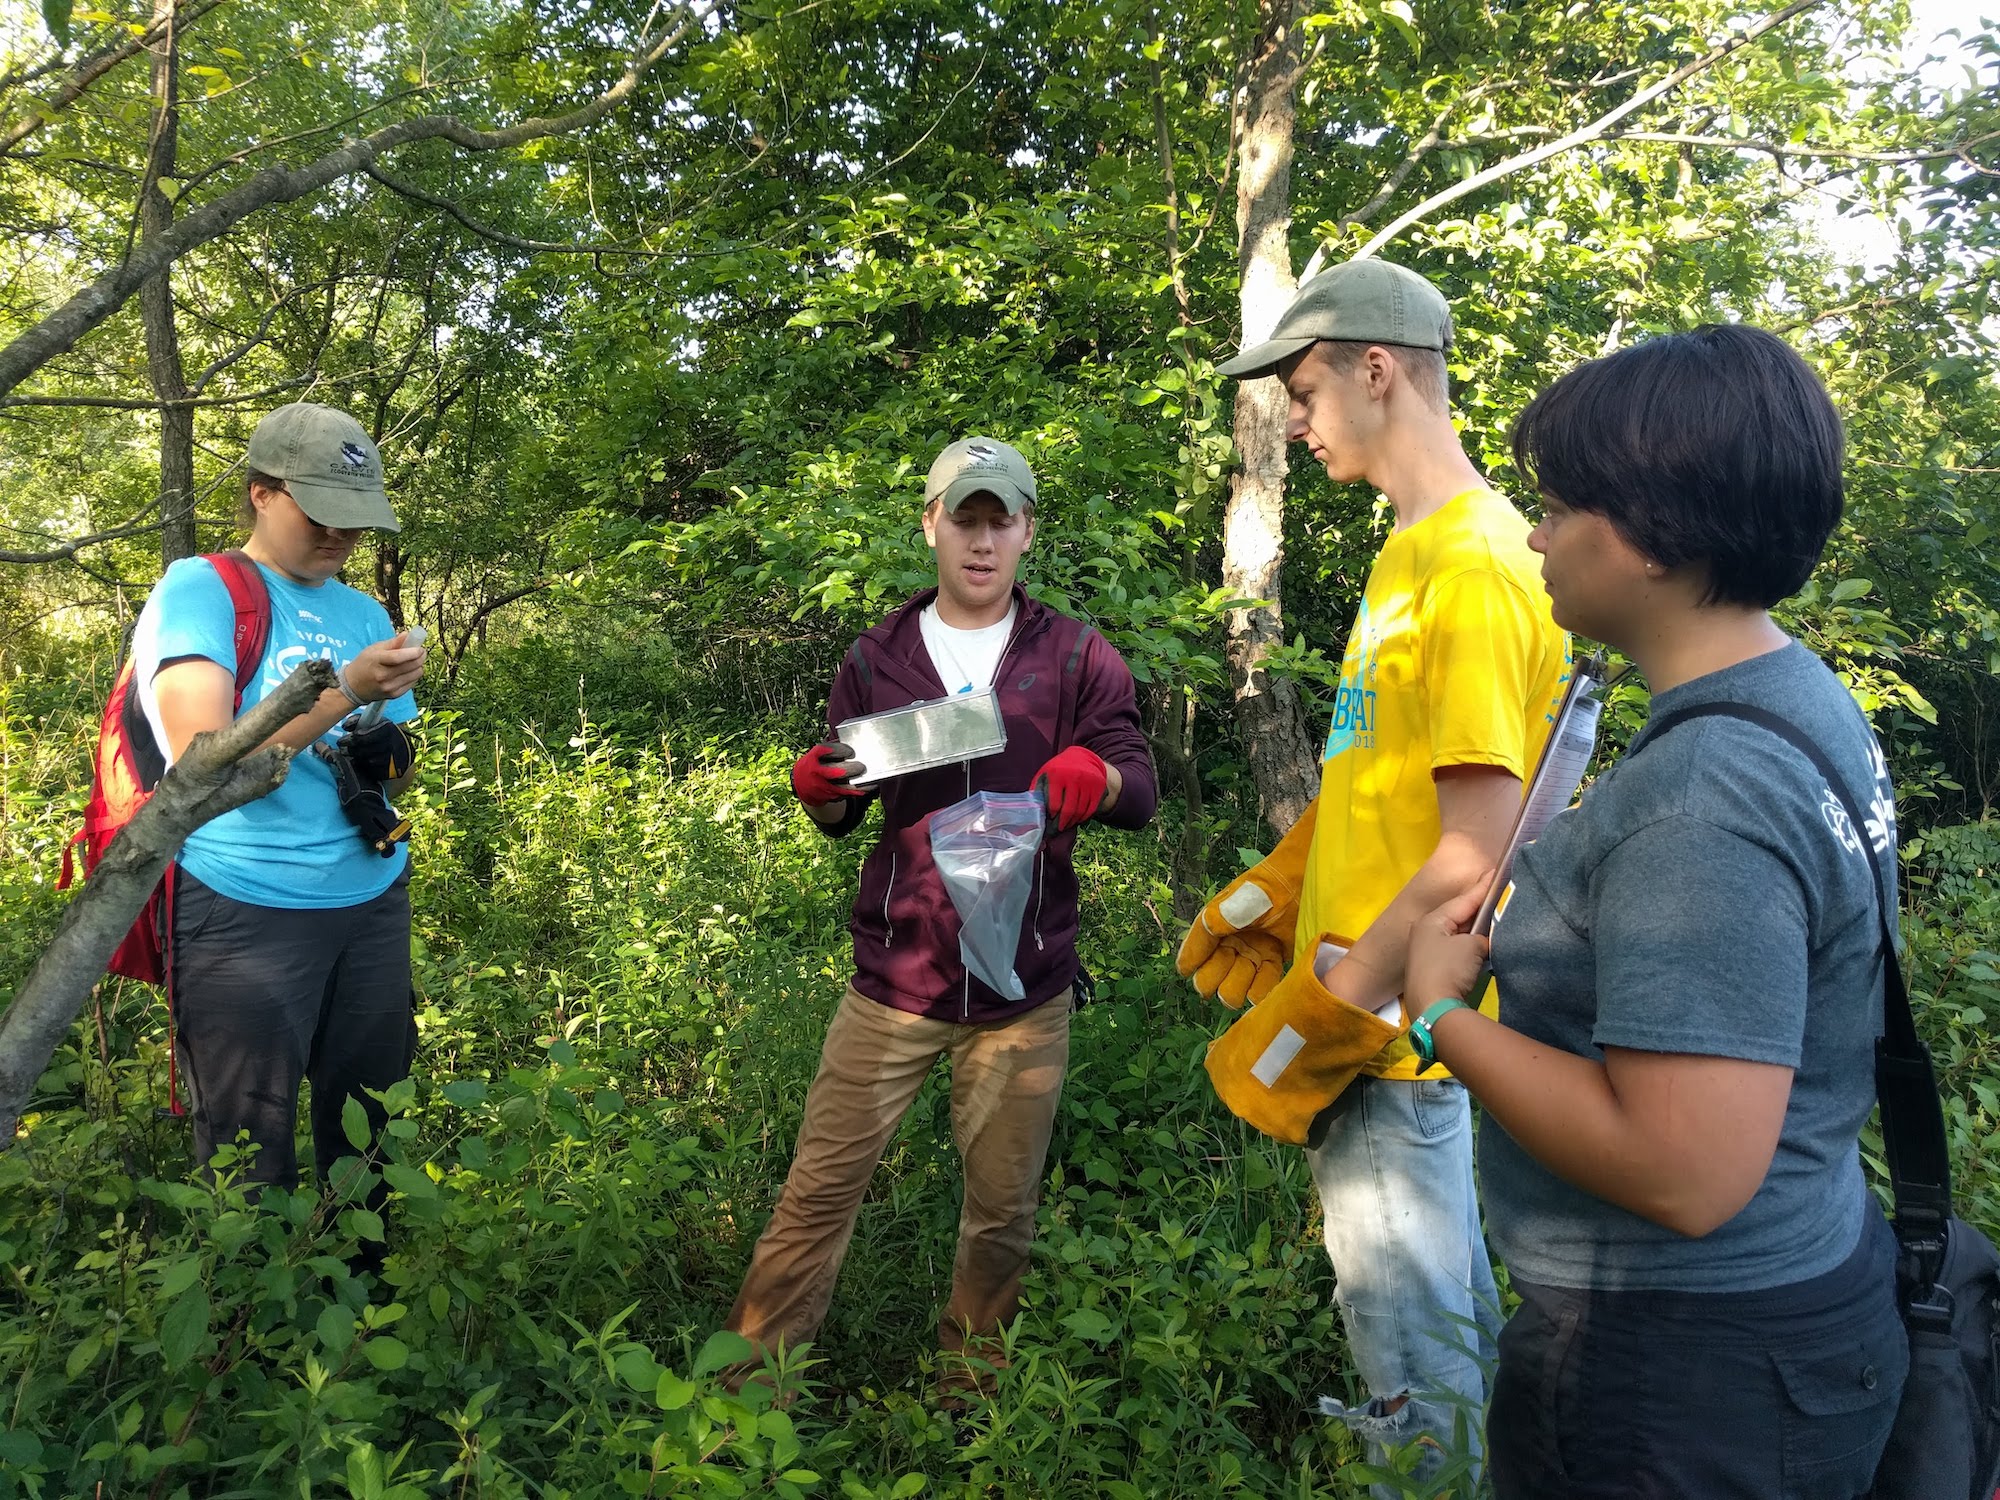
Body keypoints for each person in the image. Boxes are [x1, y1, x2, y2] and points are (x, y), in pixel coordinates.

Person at [1403, 324, 1909, 1498]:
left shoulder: (1700, 798)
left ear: (1653, 534)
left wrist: (1443, 1017)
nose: (1532, 531)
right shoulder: (1795, 698)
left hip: (1676, 1376)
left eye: (1559, 502)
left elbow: (1682, 1171)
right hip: (1782, 1316)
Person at [1179, 260, 1568, 1486]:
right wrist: (1290, 886)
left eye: (1302, 390)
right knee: (1440, 1336)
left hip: (1386, 1038)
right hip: (1379, 1018)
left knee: (1418, 1376)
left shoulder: (1471, 568)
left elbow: (1480, 849)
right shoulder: (1409, 553)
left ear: (1376, 370)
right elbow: (1394, 791)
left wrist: (1340, 1003)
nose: (1294, 418)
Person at [725, 436, 1158, 1395]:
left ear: (1028, 533)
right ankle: (746, 1402)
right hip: (896, 979)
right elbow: (842, 811)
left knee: (1001, 1213)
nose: (982, 539)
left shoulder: (1075, 655)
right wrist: (818, 787)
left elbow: (1140, 787)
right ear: (930, 524)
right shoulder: (878, 657)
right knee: (816, 1195)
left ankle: (970, 1400)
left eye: (1002, 519)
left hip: (1023, 989)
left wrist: (1101, 774)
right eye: (964, 517)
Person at [132, 402, 426, 1211]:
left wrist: (388, 751)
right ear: (263, 492)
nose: (340, 539)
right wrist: (347, 692)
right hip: (244, 907)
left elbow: (386, 760)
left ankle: (356, 1313)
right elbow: (205, 759)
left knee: (369, 1125)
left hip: (368, 897)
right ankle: (249, 1324)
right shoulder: (203, 592)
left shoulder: (363, 612)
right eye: (322, 515)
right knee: (246, 1145)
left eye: (355, 525)